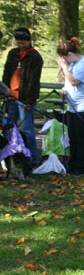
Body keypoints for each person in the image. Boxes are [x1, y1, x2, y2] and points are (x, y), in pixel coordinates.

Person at [56, 37, 84, 176]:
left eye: (64, 59)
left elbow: (74, 81)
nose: (65, 62)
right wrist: (64, 89)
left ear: (69, 55)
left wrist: (64, 67)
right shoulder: (74, 64)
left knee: (81, 138)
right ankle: (73, 164)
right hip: (73, 107)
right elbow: (69, 82)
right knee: (72, 137)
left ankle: (81, 168)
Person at [2, 27, 43, 173]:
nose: (20, 46)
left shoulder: (35, 57)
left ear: (29, 41)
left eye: (23, 43)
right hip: (10, 97)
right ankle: (11, 156)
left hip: (25, 99)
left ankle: (32, 158)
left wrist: (30, 100)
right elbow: (6, 73)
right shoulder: (13, 53)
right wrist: (5, 91)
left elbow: (34, 81)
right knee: (9, 129)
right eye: (18, 43)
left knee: (27, 130)